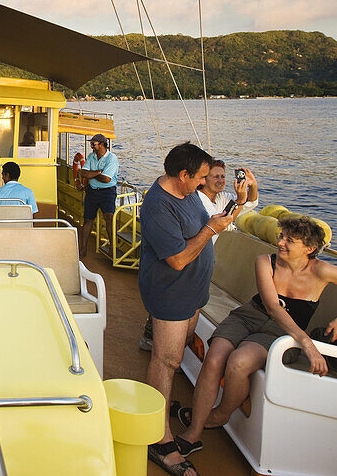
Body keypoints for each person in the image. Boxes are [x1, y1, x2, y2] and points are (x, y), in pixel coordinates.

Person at [173, 216, 337, 458]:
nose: (281, 242)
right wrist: (308, 345)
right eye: (281, 236)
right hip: (250, 316)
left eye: (289, 240)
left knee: (239, 362)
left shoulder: (321, 271)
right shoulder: (265, 262)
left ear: (309, 249)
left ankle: (220, 415)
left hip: (283, 333)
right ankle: (194, 433)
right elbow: (272, 306)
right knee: (216, 357)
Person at [139, 142, 237, 476]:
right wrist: (212, 229)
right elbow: (178, 259)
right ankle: (158, 437)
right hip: (170, 294)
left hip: (193, 293)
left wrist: (237, 202)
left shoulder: (189, 193)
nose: (205, 184)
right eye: (201, 178)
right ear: (183, 175)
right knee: (166, 360)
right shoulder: (157, 206)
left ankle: (158, 405)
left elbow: (202, 223)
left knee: (176, 353)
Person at [77, 133, 118, 258]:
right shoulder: (91, 156)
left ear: (101, 145)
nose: (91, 146)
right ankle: (83, 249)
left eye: (93, 144)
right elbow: (84, 173)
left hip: (107, 192)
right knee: (88, 220)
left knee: (109, 218)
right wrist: (99, 172)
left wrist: (92, 174)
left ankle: (112, 246)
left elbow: (106, 179)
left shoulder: (112, 158)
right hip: (92, 191)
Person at [197, 160, 258, 227]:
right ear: (204, 179)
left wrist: (253, 185)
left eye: (223, 177)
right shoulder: (199, 199)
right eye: (216, 177)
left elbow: (250, 201)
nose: (220, 181)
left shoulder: (221, 197)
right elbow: (219, 225)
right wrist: (240, 201)